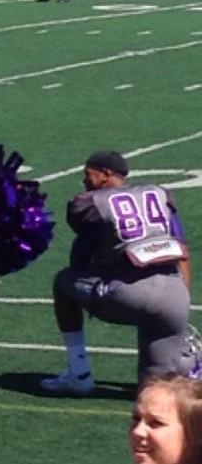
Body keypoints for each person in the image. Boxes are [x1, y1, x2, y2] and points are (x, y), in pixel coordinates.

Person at [41, 150, 194, 395]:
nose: (84, 180)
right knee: (156, 392)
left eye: (87, 174)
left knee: (63, 282)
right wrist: (182, 304)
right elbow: (182, 252)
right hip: (174, 296)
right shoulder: (159, 195)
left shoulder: (93, 203)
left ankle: (78, 374)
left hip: (129, 294)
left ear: (105, 175)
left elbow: (79, 258)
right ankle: (186, 365)